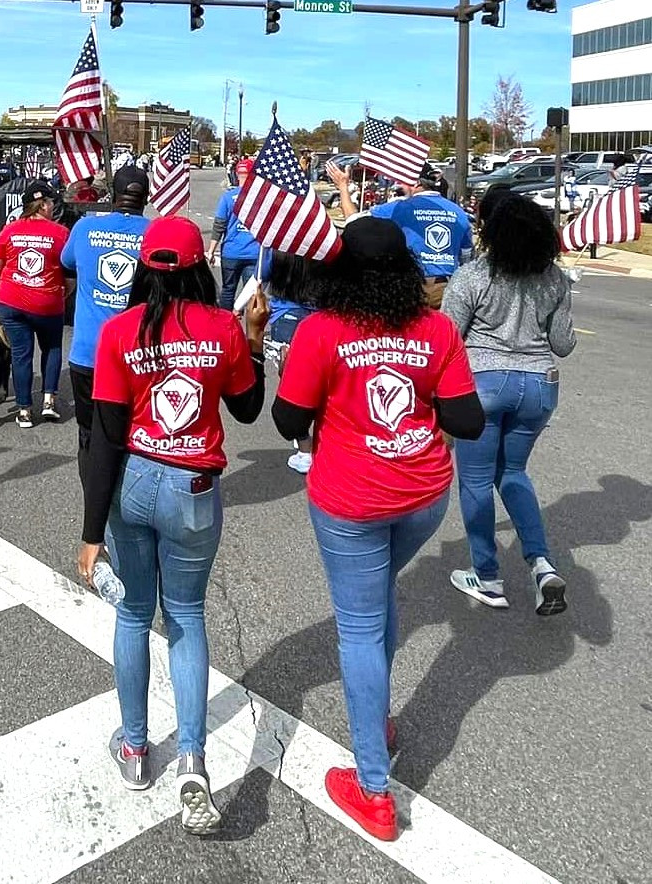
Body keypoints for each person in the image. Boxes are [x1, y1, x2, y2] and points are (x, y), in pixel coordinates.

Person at [270, 218, 483, 842]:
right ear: (406, 273)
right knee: (380, 596)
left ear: (340, 271)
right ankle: (378, 714)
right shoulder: (436, 329)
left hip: (351, 502)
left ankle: (372, 789)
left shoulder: (322, 330)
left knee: (360, 628)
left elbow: (287, 417)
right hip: (423, 496)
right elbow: (466, 420)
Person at [77, 216, 267, 833]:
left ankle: (134, 747)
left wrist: (90, 532)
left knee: (134, 612)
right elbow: (246, 407)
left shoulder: (118, 332)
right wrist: (255, 338)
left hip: (134, 479)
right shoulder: (222, 329)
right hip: (194, 486)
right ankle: (192, 758)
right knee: (185, 615)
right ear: (197, 269)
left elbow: (104, 440)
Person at [442, 194, 576, 615]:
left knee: (476, 482)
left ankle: (487, 574)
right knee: (514, 473)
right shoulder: (553, 279)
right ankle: (541, 563)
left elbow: (447, 339)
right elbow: (563, 344)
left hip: (483, 384)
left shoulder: (471, 277)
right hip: (539, 385)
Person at [61, 165, 151, 481]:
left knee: (88, 433)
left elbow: (67, 262)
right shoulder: (154, 234)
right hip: (134, 354)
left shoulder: (85, 229)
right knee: (129, 432)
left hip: (87, 353)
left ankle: (94, 494)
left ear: (112, 195)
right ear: (147, 197)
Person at [0, 180, 71, 429]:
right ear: (42, 205)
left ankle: (23, 409)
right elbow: (69, 274)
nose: (53, 206)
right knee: (52, 348)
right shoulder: (60, 233)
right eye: (51, 202)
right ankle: (48, 400)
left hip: (12, 301)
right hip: (48, 302)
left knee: (21, 354)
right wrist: (62, 294)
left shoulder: (10, 230)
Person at [328, 160, 472, 308]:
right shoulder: (458, 212)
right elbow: (466, 256)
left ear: (415, 183)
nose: (400, 187)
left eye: (403, 182)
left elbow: (355, 222)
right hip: (448, 290)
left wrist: (343, 187)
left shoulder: (399, 208)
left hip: (412, 288)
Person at [260, 250, 317, 474]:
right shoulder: (323, 246)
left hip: (285, 318)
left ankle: (304, 444)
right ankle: (310, 442)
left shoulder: (277, 250)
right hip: (318, 317)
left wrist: (239, 307)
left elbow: (260, 277)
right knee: (320, 381)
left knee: (291, 386)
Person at [211, 158, 261, 310]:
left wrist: (211, 250)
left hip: (231, 252)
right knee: (252, 295)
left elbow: (219, 224)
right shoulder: (261, 198)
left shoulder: (228, 197)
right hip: (253, 252)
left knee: (228, 290)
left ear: (237, 174)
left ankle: (224, 328)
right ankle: (252, 331)